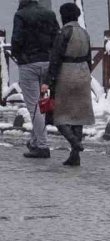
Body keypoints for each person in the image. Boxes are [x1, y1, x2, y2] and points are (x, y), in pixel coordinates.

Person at [40, 3, 95, 167]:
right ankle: (75, 156)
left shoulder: (63, 33)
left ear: (63, 16)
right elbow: (89, 57)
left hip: (66, 74)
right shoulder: (84, 33)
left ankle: (74, 143)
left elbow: (55, 58)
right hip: (83, 73)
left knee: (59, 115)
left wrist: (47, 82)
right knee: (79, 116)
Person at [10, 0, 59, 159]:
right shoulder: (49, 14)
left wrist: (19, 57)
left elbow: (16, 40)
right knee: (43, 104)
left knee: (34, 106)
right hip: (48, 64)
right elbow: (56, 38)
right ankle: (35, 141)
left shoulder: (20, 15)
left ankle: (43, 146)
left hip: (29, 64)